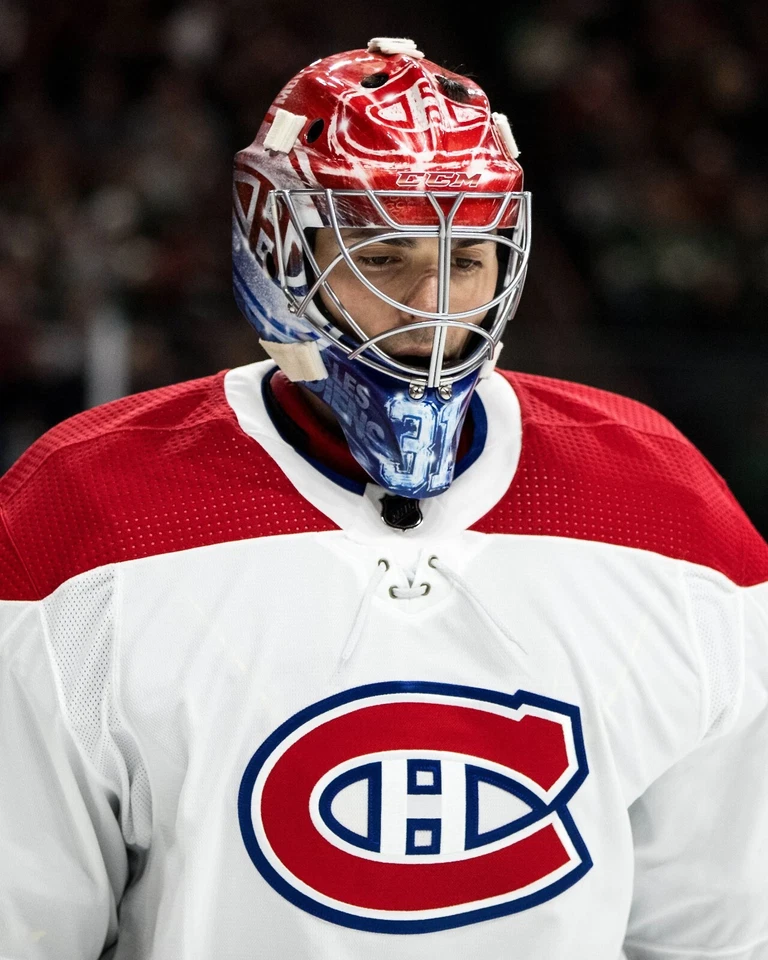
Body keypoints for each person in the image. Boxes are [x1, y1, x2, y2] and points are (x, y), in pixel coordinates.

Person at [1, 36, 767, 960]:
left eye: (471, 255)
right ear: (283, 246)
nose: (435, 304)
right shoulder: (82, 512)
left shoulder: (667, 507)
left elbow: (714, 932)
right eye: (386, 254)